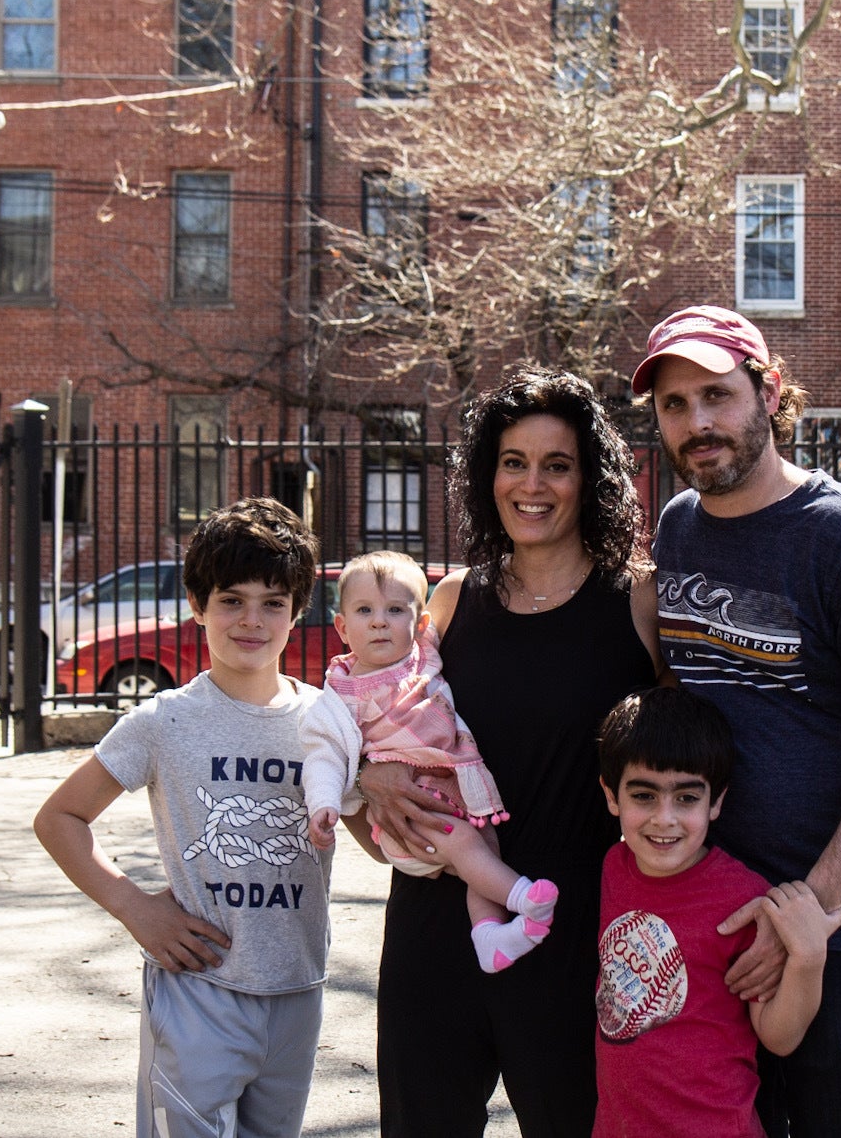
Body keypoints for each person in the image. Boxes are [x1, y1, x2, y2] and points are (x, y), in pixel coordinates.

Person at [631, 305, 841, 1138]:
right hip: (715, 927)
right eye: (673, 405)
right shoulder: (678, 529)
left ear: (768, 393)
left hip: (838, 939)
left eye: (717, 396)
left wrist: (809, 911)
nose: (697, 424)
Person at [358, 364, 661, 1138]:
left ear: (589, 479)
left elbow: (685, 757)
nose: (533, 484)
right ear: (488, 476)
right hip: (437, 926)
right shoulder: (454, 601)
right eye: (514, 463)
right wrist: (370, 774)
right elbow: (369, 716)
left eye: (556, 465)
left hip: (572, 934)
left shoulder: (638, 603)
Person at [33, 498, 332, 1138]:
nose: (251, 620)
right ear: (197, 605)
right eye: (231, 599)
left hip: (298, 992)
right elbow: (59, 817)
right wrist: (134, 908)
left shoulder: (327, 723)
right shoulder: (162, 720)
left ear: (298, 610)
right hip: (199, 991)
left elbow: (378, 835)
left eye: (273, 602)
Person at [593, 687, 841, 1138]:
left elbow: (778, 1036)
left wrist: (808, 959)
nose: (664, 818)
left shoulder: (743, 898)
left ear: (716, 801)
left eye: (686, 798)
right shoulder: (615, 866)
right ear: (612, 796)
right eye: (644, 796)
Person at [300, 550, 561, 972]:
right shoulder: (342, 695)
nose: (380, 621)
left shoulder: (423, 655)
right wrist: (324, 803)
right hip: (411, 811)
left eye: (395, 609)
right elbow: (323, 755)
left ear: (419, 623)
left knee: (484, 851)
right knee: (465, 847)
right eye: (364, 610)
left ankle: (490, 935)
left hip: (455, 790)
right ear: (343, 627)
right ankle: (524, 898)